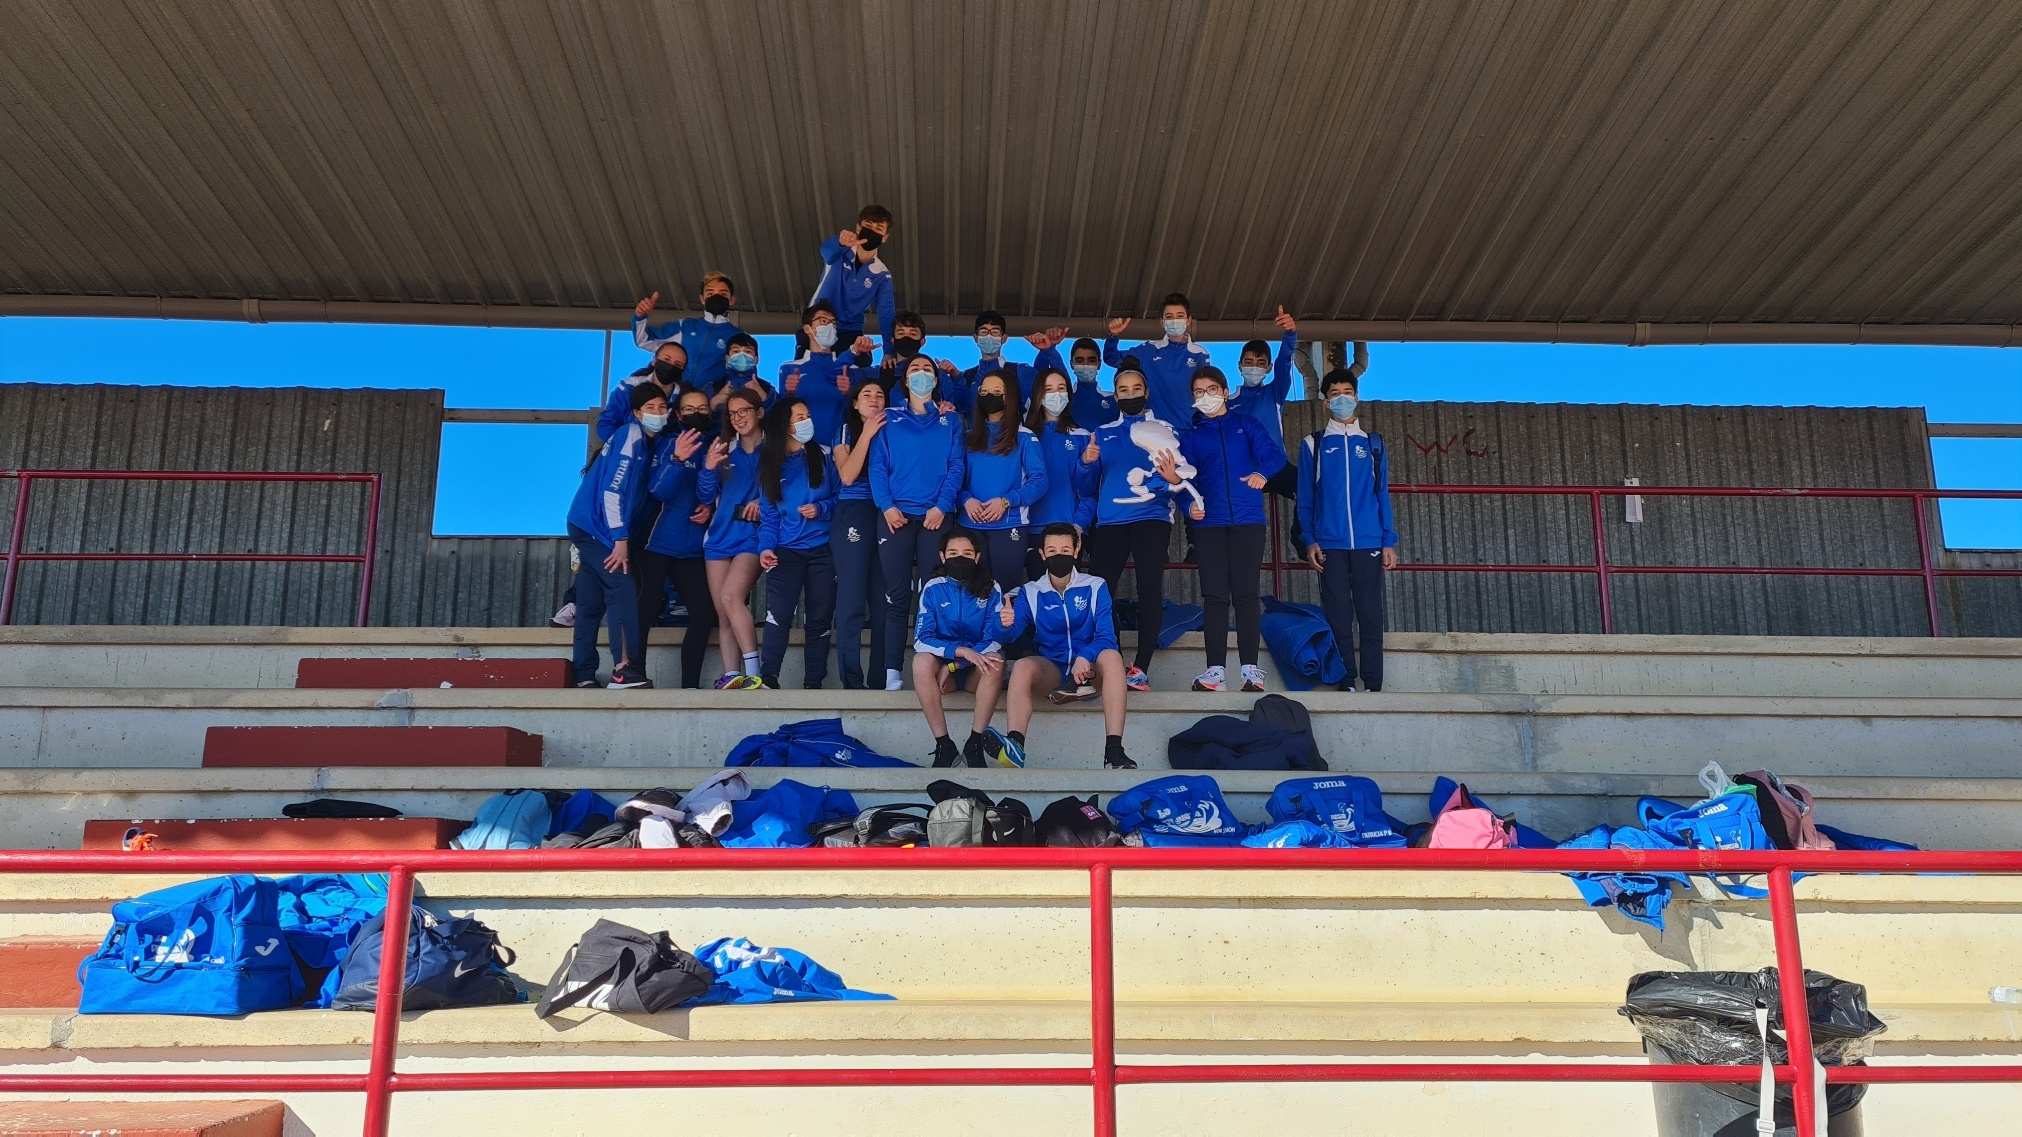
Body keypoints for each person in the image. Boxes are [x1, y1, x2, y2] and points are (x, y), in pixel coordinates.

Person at [1084, 362, 1198, 692]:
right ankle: (1113, 661)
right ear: (1115, 395)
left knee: (1149, 589)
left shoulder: (1165, 428)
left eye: (1136, 389)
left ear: (1146, 392)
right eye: (1123, 390)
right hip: (1110, 523)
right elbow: (1087, 484)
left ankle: (1141, 667)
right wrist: (1086, 463)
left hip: (1152, 519)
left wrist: (1170, 484)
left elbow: (1181, 477)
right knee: (1101, 591)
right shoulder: (1101, 433)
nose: (1130, 394)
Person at [1180, 366, 1286, 692]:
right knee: (1214, 596)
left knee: (1245, 594)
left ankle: (1251, 671)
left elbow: (1275, 457)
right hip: (1209, 525)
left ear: (1225, 392)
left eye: (1211, 389)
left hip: (1248, 521)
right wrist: (1188, 506)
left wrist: (1262, 474)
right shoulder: (1191, 437)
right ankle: (1215, 672)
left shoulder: (1247, 425)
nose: (1206, 396)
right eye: (1199, 392)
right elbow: (1183, 482)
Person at [1296, 368, 1401, 693]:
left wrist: (1388, 540)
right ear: (1325, 402)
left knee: (1370, 614)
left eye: (1347, 392)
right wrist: (1309, 539)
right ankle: (1346, 680)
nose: (1342, 399)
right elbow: (1305, 498)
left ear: (1356, 397)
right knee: (1338, 614)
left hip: (1369, 542)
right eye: (1334, 394)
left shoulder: (1373, 444)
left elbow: (1382, 495)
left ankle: (1373, 683)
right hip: (1330, 543)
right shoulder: (1313, 444)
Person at [1002, 523, 1137, 770]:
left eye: (1065, 549)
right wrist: (1003, 622)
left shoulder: (1095, 585)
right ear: (1042, 554)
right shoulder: (1031, 591)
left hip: (1091, 670)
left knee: (1111, 656)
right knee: (1021, 666)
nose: (1059, 555)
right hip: (1054, 671)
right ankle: (1014, 746)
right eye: (1052, 550)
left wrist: (1085, 656)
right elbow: (1009, 637)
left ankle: (1114, 751)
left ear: (1076, 551)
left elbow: (1107, 637)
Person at [870, 355, 966, 684]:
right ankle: (892, 673)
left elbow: (956, 466)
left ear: (936, 381)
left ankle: (936, 669)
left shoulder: (951, 419)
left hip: (936, 517)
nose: (921, 374)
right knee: (896, 595)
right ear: (905, 380)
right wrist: (886, 506)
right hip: (895, 516)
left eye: (928, 370)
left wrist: (942, 506)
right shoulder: (888, 417)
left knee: (934, 594)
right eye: (915, 369)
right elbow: (878, 465)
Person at [565, 382, 667, 690]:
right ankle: (624, 669)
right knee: (622, 587)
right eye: (650, 408)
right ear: (637, 413)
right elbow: (613, 491)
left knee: (590, 600)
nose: (658, 413)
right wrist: (620, 539)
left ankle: (583, 674)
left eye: (663, 408)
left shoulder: (644, 443)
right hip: (597, 529)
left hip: (585, 525)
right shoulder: (631, 435)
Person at [638, 386, 719, 688]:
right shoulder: (666, 443)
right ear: (678, 414)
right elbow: (658, 491)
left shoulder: (715, 446)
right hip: (657, 544)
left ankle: (690, 685)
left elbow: (711, 493)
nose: (696, 414)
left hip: (693, 549)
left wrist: (710, 505)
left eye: (702, 409)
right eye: (689, 409)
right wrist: (675, 458)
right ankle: (634, 675)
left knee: (703, 615)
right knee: (644, 610)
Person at [756, 397, 839, 690]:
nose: (807, 422)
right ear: (785, 425)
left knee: (819, 618)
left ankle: (813, 683)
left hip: (823, 550)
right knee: (778, 615)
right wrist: (766, 548)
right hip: (786, 551)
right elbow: (768, 517)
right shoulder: (770, 463)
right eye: (799, 417)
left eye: (808, 415)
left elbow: (842, 497)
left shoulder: (825, 455)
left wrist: (821, 509)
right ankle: (769, 678)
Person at [911, 529, 1013, 768]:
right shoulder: (933, 588)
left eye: (967, 554)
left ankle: (974, 743)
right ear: (943, 556)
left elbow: (994, 639)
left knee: (996, 659)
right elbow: (921, 639)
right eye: (953, 553)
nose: (960, 558)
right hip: (943, 674)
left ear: (977, 557)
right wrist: (957, 653)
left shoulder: (991, 587)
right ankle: (944, 745)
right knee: (920, 661)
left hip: (973, 673)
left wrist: (957, 664)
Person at [697, 387, 768, 690]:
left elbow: (787, 487)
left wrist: (764, 502)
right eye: (733, 413)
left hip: (752, 537)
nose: (739, 417)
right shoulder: (724, 450)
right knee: (724, 613)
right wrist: (708, 467)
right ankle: (731, 675)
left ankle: (755, 673)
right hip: (718, 538)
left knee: (731, 597)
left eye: (745, 411)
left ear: (759, 412)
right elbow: (705, 495)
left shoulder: (775, 449)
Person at [958, 368, 1048, 593]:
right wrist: (966, 500)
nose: (990, 396)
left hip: (1010, 524)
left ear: (1010, 397)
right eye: (984, 391)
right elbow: (955, 480)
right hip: (970, 525)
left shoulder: (1024, 437)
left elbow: (1039, 481)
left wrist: (1007, 501)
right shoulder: (967, 437)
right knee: (972, 593)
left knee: (1006, 593)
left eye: (997, 391)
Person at [831, 377, 893, 690]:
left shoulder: (895, 428)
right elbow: (847, 475)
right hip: (854, 510)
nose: (874, 398)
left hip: (889, 512)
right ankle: (852, 680)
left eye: (880, 394)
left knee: (883, 600)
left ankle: (880, 679)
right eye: (866, 394)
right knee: (852, 598)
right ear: (855, 403)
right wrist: (867, 434)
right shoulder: (846, 430)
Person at [1102, 292, 1212, 426]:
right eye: (1169, 317)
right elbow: (1111, 358)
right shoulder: (1148, 350)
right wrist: (1113, 336)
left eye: (1180, 316)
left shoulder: (1200, 354)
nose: (1174, 320)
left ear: (1188, 320)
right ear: (1162, 321)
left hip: (1190, 430)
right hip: (1155, 431)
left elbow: (1205, 394)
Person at [1024, 366, 1097, 550]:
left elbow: (1090, 492)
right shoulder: (1023, 436)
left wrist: (1079, 524)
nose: (1056, 395)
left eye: (1061, 388)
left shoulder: (1082, 436)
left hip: (1068, 529)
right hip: (1029, 528)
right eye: (1048, 389)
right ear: (1038, 395)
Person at [1226, 306, 1301, 485]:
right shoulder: (1227, 402)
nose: (1254, 367)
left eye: (1260, 363)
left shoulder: (1274, 392)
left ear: (1268, 368)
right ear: (1239, 365)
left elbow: (1283, 363)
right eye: (1249, 362)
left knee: (1309, 490)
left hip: (1275, 466)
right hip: (1244, 470)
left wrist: (1290, 334)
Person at [631, 275, 742, 394]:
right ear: (702, 299)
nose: (716, 297)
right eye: (710, 293)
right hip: (675, 397)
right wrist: (640, 315)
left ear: (732, 300)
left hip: (710, 401)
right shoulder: (685, 326)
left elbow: (742, 373)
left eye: (723, 294)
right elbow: (644, 340)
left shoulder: (737, 336)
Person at [939, 312, 1068, 413]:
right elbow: (953, 409)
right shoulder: (966, 377)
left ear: (1004, 338)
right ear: (975, 338)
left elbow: (1060, 388)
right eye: (984, 332)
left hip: (1012, 439)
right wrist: (955, 377)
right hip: (975, 439)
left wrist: (1049, 351)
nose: (989, 336)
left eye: (995, 332)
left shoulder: (1019, 372)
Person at [811, 204, 896, 350]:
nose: (872, 231)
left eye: (878, 228)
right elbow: (826, 252)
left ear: (885, 237)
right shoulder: (841, 250)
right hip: (818, 324)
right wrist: (839, 242)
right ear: (858, 227)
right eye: (868, 225)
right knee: (812, 364)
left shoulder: (882, 274)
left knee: (860, 361)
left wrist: (888, 350)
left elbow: (886, 312)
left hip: (850, 332)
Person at [776, 301, 860, 446]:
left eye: (833, 323)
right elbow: (782, 414)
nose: (830, 326)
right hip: (803, 451)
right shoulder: (789, 368)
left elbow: (858, 412)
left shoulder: (850, 368)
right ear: (807, 328)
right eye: (823, 321)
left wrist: (849, 393)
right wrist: (789, 393)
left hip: (841, 451)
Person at [597, 339, 687, 442]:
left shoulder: (684, 398)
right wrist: (625, 446)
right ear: (654, 360)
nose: (671, 366)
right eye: (666, 359)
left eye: (678, 364)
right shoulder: (629, 387)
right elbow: (607, 424)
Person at [1065, 336, 1116, 426]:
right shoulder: (1063, 400)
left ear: (1099, 364)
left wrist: (1113, 336)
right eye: (1079, 360)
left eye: (1091, 360)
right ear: (1071, 364)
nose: (1085, 365)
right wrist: (1048, 351)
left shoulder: (1114, 399)